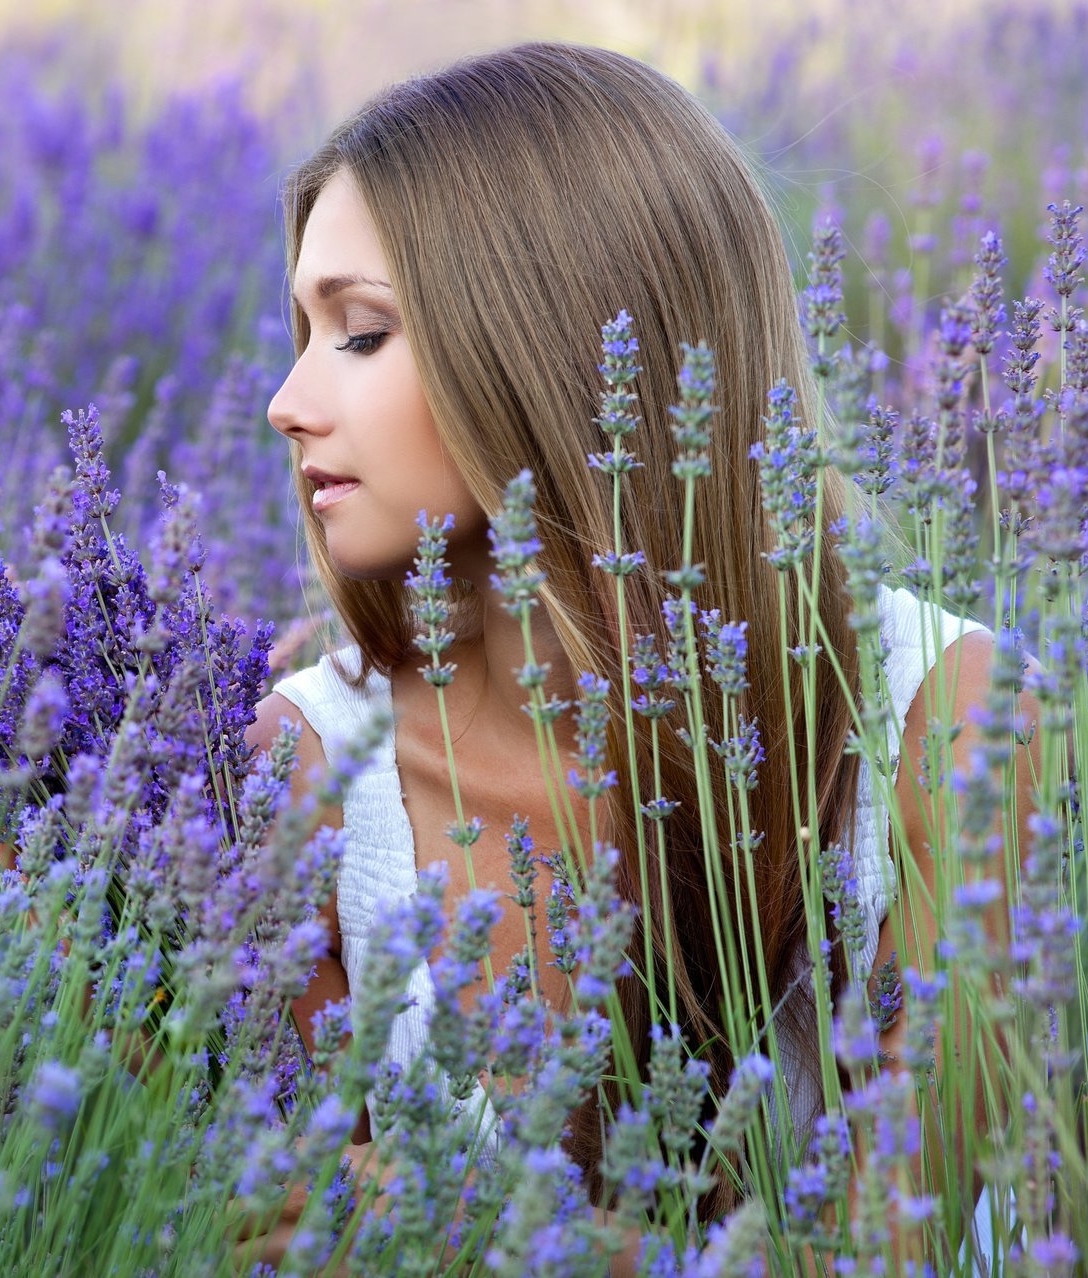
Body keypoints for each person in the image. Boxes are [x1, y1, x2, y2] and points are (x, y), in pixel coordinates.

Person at [240, 40, 1037, 1273]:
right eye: (301, 330)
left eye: (360, 333)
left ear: (546, 339)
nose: (287, 401)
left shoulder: (950, 720)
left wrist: (463, 1225)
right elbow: (278, 1225)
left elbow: (892, 1250)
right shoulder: (312, 768)